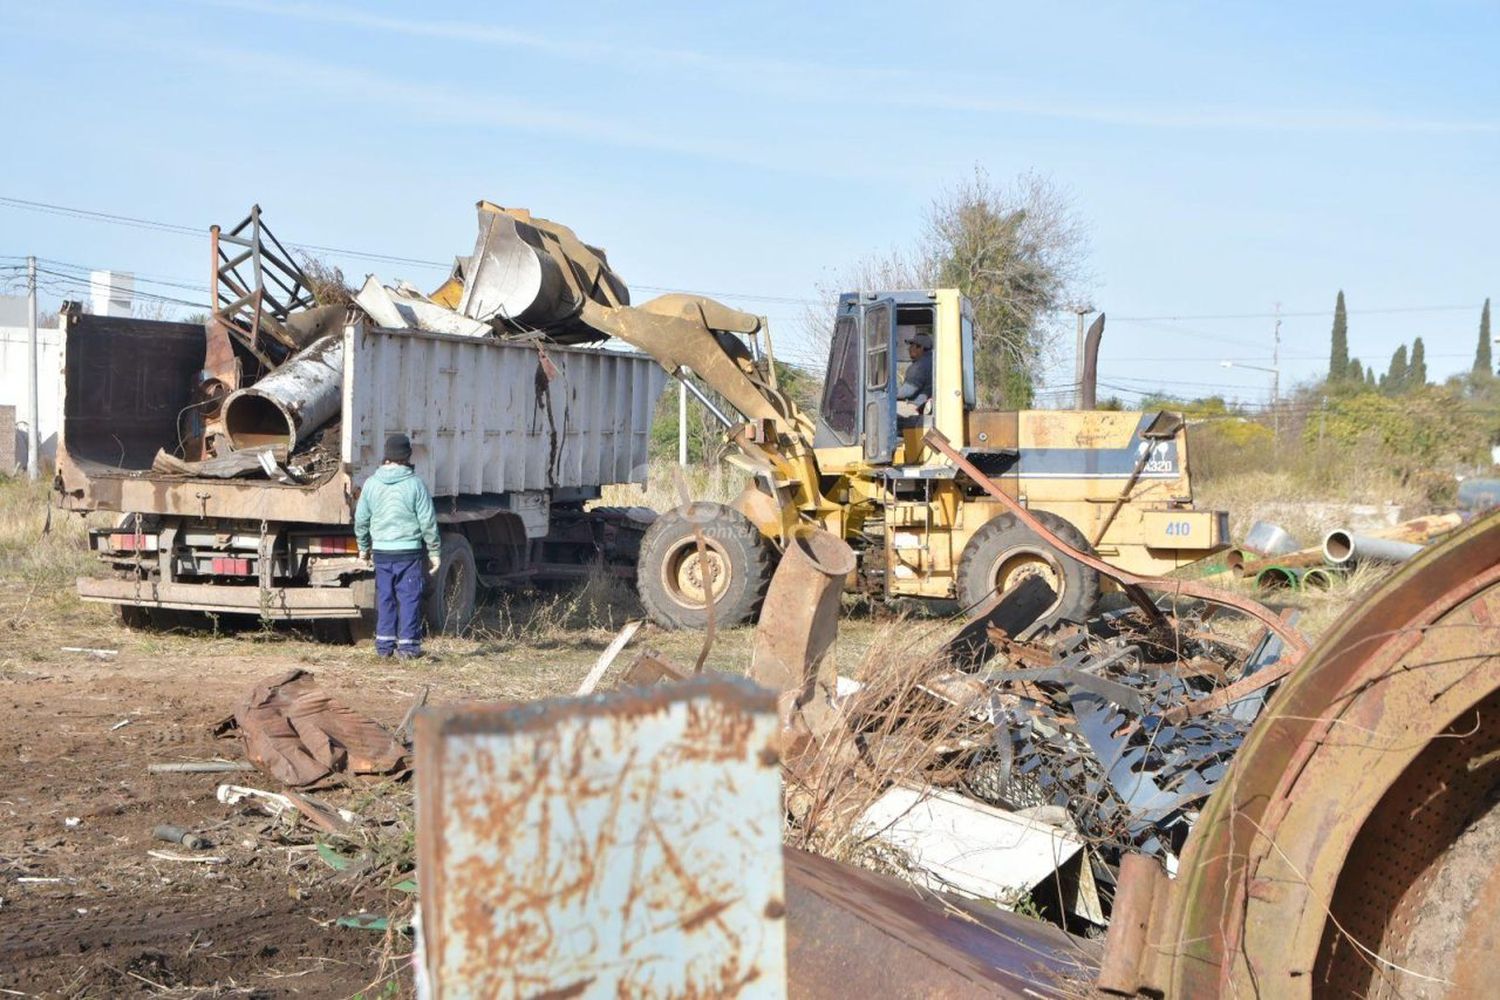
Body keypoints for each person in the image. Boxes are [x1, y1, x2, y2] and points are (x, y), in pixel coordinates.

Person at [354, 433, 441, 659]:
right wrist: (434, 551)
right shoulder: (416, 484)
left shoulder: (371, 484)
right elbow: (428, 522)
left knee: (385, 598)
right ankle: (409, 648)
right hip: (409, 552)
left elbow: (361, 518)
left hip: (382, 551)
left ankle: (384, 648)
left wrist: (363, 548)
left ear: (387, 455)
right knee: (409, 598)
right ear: (407, 455)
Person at [896, 330, 933, 423]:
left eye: (912, 345)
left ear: (920, 348)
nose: (909, 349)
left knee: (886, 411)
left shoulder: (920, 366)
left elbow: (907, 392)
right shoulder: (933, 361)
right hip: (925, 406)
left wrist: (889, 393)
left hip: (916, 406)